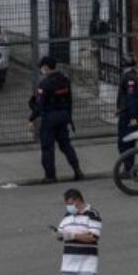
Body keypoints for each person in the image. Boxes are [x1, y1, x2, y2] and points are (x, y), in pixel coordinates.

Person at [29, 56, 83, 184]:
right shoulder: (65, 80)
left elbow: (39, 104)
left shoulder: (45, 84)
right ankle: (77, 170)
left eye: (42, 67)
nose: (41, 70)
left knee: (47, 148)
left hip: (50, 117)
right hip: (63, 116)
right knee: (66, 145)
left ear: (46, 67)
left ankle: (50, 176)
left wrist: (31, 119)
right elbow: (69, 101)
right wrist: (69, 117)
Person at [116, 56, 138, 173]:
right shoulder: (133, 76)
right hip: (127, 113)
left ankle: (128, 168)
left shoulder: (130, 78)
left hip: (127, 115)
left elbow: (131, 98)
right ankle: (128, 167)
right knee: (129, 142)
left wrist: (132, 117)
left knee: (125, 142)